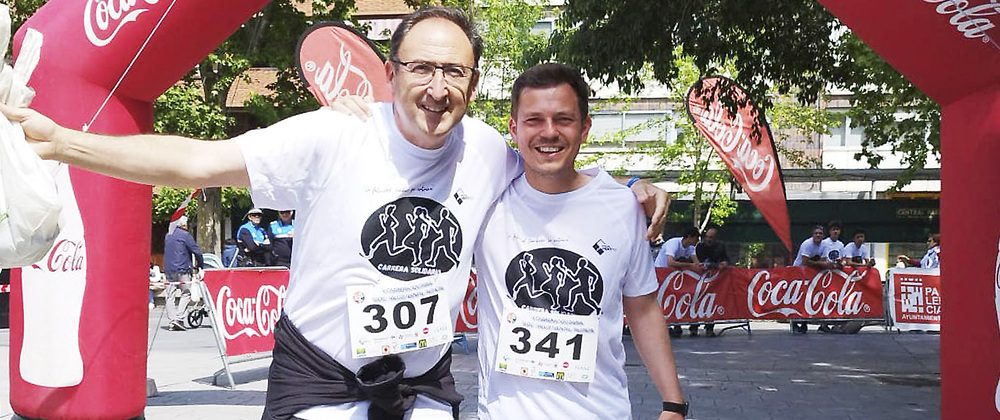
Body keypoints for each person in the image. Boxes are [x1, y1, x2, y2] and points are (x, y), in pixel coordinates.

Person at [1, 7, 669, 419]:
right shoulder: (330, 135)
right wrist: (64, 141)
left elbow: (558, 171)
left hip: (420, 387)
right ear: (389, 70)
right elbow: (195, 162)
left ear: (473, 82)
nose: (438, 89)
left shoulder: (490, 152)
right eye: (422, 68)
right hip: (321, 380)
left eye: (456, 74)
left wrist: (633, 190)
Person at [474, 63, 686, 420]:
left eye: (564, 119)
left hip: (601, 411)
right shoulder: (486, 197)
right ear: (513, 129)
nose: (549, 132)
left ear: (585, 128)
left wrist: (673, 403)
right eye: (533, 120)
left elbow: (644, 307)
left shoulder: (623, 207)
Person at [654, 226, 703, 338]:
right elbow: (670, 262)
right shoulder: (673, 244)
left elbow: (696, 262)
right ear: (690, 237)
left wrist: (700, 266)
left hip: (675, 276)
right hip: (662, 274)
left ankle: (676, 324)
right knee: (663, 300)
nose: (697, 241)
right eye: (696, 238)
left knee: (677, 298)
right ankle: (664, 325)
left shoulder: (691, 248)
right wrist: (690, 265)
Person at [162, 216, 203, 331]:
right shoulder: (185, 235)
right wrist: (201, 265)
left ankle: (172, 319)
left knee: (170, 295)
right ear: (184, 225)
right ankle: (179, 318)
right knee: (186, 292)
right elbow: (196, 251)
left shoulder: (168, 235)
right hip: (182, 268)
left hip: (169, 269)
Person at [791, 225, 831, 333]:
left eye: (820, 233)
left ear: (823, 235)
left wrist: (819, 263)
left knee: (807, 298)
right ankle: (794, 323)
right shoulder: (806, 244)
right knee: (797, 298)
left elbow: (822, 262)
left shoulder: (825, 245)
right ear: (812, 235)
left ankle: (804, 323)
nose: (818, 235)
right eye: (816, 233)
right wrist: (819, 263)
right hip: (798, 272)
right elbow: (805, 261)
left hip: (811, 274)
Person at [693, 226, 730, 337]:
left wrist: (724, 263)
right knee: (696, 301)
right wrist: (717, 265)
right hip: (699, 279)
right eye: (707, 237)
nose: (709, 239)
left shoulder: (720, 246)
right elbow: (700, 262)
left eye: (711, 237)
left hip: (714, 280)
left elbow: (726, 260)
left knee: (711, 302)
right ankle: (693, 327)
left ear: (715, 238)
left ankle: (709, 327)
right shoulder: (700, 246)